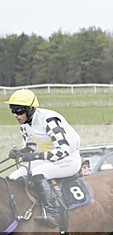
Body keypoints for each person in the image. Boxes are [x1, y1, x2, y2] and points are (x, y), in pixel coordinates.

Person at [6, 89, 82, 227]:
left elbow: (62, 152)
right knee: (14, 176)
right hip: (51, 157)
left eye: (19, 111)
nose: (16, 115)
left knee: (38, 172)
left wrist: (33, 156)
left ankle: (51, 212)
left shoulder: (49, 120)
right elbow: (30, 147)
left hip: (69, 158)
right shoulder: (25, 125)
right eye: (13, 111)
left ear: (30, 109)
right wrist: (19, 152)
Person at [72, 160, 92, 235]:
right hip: (78, 214)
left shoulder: (91, 180)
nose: (87, 169)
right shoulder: (77, 181)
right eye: (84, 167)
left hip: (88, 214)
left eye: (88, 167)